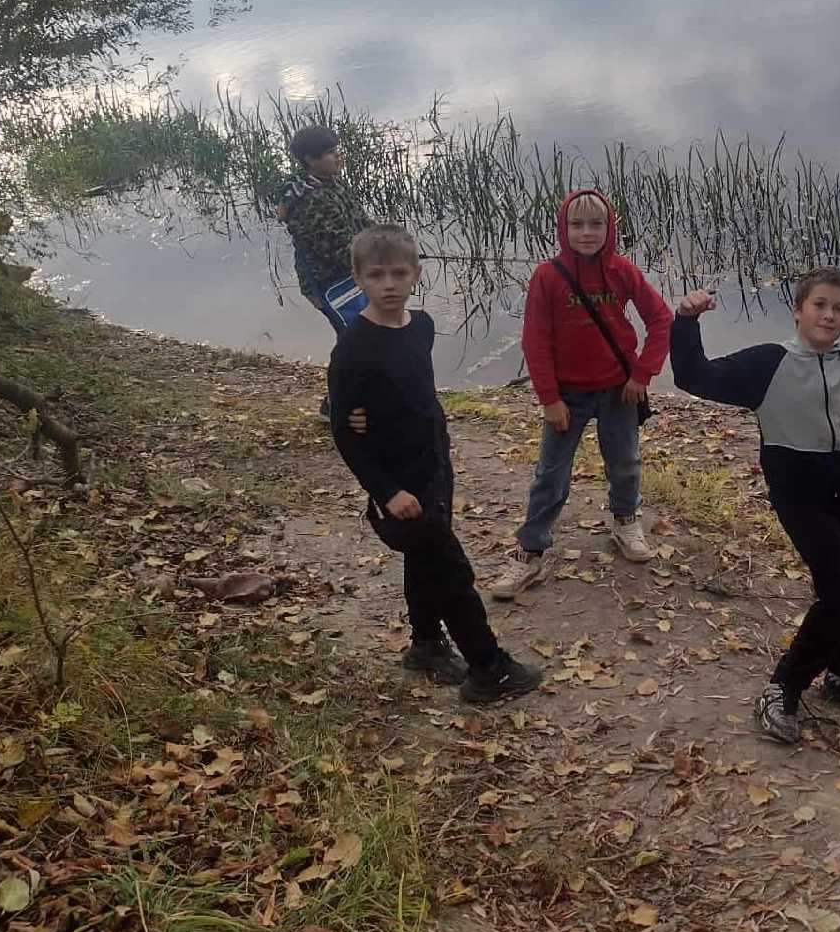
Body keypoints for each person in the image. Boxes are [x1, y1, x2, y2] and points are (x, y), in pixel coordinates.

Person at [670, 268, 840, 744]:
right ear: (798, 311)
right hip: (796, 490)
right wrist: (686, 322)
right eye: (820, 305)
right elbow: (695, 376)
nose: (829, 315)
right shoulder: (766, 364)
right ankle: (783, 687)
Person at [327, 225, 543, 705]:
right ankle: (488, 669)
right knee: (452, 572)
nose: (389, 284)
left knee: (423, 561)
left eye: (398, 273)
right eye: (376, 275)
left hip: (434, 467)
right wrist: (387, 492)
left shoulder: (421, 326)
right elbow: (343, 431)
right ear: (357, 278)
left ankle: (426, 644)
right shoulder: (353, 347)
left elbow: (415, 395)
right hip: (399, 482)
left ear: (416, 274)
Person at [495, 189, 673, 598]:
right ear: (563, 228)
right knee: (551, 474)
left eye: (596, 224)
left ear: (610, 228)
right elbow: (535, 340)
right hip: (567, 395)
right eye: (577, 225)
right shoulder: (547, 276)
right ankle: (530, 549)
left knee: (625, 462)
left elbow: (661, 319)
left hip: (618, 389)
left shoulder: (623, 271)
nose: (587, 232)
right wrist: (549, 398)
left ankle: (625, 519)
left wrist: (642, 374)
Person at [277, 124, 370, 417]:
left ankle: (345, 401)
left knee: (359, 339)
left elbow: (361, 222)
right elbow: (335, 249)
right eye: (330, 153)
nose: (338, 156)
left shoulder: (332, 183)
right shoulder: (309, 200)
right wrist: (381, 257)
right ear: (309, 159)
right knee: (356, 341)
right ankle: (338, 405)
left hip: (353, 275)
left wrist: (390, 242)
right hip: (328, 284)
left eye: (336, 150)